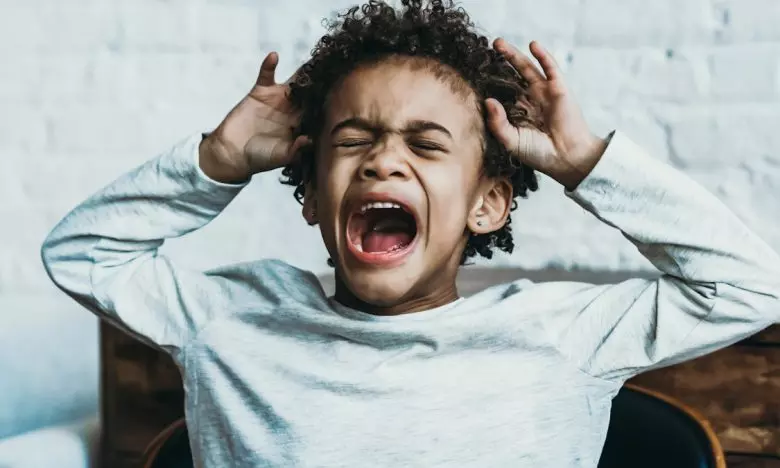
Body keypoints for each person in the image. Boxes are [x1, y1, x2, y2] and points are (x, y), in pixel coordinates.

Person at [41, 1, 780, 467]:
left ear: (487, 204)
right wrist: (218, 161)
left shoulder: (561, 334)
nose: (384, 160)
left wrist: (587, 163)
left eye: (426, 145)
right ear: (309, 197)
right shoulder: (230, 321)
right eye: (354, 141)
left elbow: (752, 287)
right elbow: (80, 254)